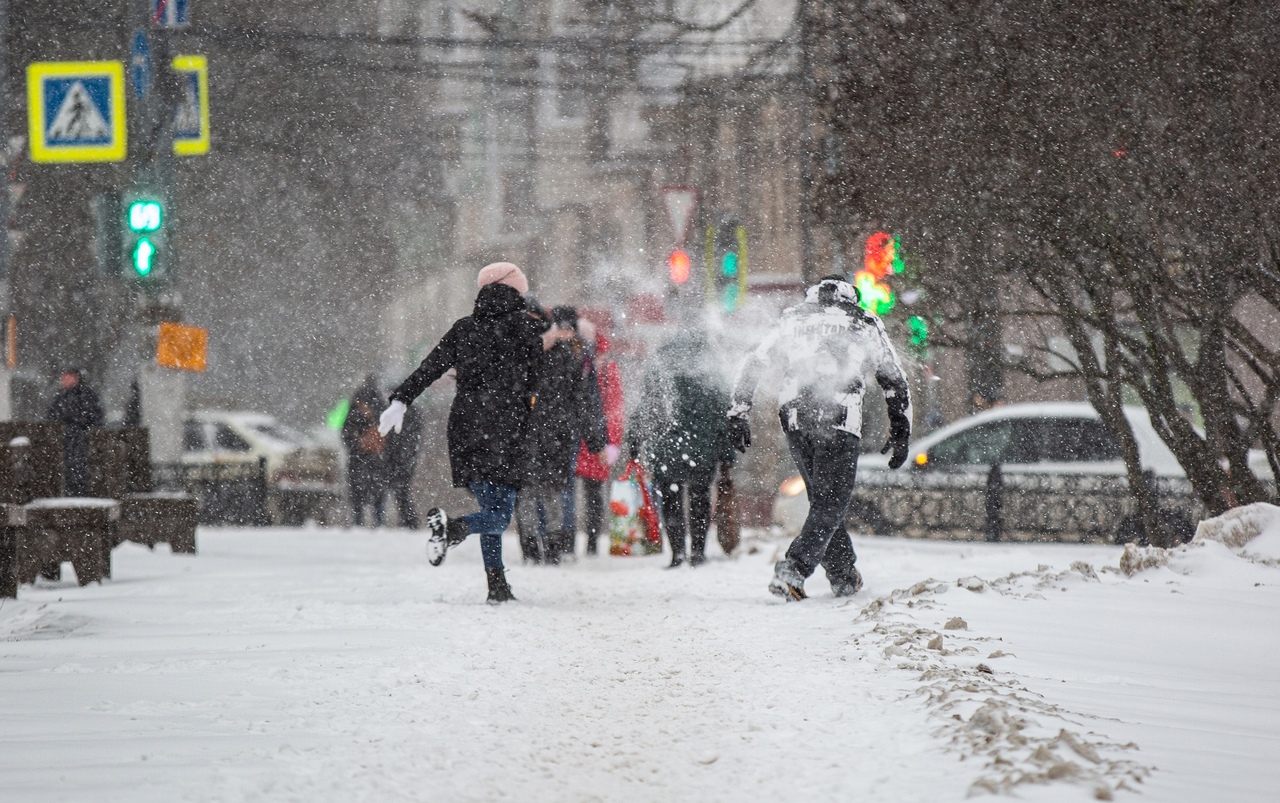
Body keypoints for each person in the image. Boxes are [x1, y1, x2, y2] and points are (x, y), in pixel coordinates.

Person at [727, 275, 912, 600]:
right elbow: (893, 377)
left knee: (824, 501)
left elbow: (755, 361)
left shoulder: (793, 317)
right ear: (849, 295)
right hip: (839, 417)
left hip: (796, 417)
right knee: (831, 502)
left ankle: (843, 575)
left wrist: (739, 410)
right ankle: (793, 571)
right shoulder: (863, 320)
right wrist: (900, 429)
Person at [377, 262, 542, 604]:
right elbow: (537, 382)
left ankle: (497, 586)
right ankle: (453, 528)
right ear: (514, 292)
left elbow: (429, 367)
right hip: (507, 428)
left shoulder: (464, 328)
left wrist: (400, 400)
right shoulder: (525, 331)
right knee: (498, 515)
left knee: (490, 507)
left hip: (466, 426)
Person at [629, 329, 735, 568]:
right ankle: (698, 552)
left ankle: (677, 553)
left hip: (667, 446)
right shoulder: (712, 362)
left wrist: (635, 438)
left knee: (670, 499)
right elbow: (723, 411)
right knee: (700, 498)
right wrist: (727, 453)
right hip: (703, 447)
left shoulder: (662, 358)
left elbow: (649, 403)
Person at [515, 304, 606, 564]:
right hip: (542, 433)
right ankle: (537, 547)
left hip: (550, 434)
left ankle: (548, 546)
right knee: (535, 491)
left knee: (547, 491)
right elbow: (583, 400)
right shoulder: (542, 352)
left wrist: (596, 442)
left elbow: (584, 401)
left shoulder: (570, 356)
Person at [572, 318, 623, 556]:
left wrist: (610, 443)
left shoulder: (605, 367)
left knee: (590, 496)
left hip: (594, 439)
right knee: (573, 495)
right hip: (578, 436)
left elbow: (614, 408)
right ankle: (571, 544)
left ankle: (589, 544)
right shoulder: (583, 362)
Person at [45, 367, 105, 497]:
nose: (64, 380)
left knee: (79, 471)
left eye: (68, 376)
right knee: (69, 471)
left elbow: (94, 417)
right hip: (66, 441)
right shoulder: (60, 398)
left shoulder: (86, 396)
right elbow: (51, 417)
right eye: (64, 377)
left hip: (81, 441)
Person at [341, 375, 387, 526]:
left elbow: (345, 432)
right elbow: (389, 434)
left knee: (356, 491)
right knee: (379, 490)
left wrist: (356, 446)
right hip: (377, 455)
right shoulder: (381, 406)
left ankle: (358, 522)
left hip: (358, 456)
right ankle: (378, 522)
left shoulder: (355, 407)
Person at [384, 401, 424, 529]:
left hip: (400, 458)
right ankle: (409, 519)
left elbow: (398, 438)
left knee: (400, 490)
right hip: (405, 457)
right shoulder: (413, 412)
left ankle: (409, 519)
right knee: (402, 490)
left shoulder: (403, 414)